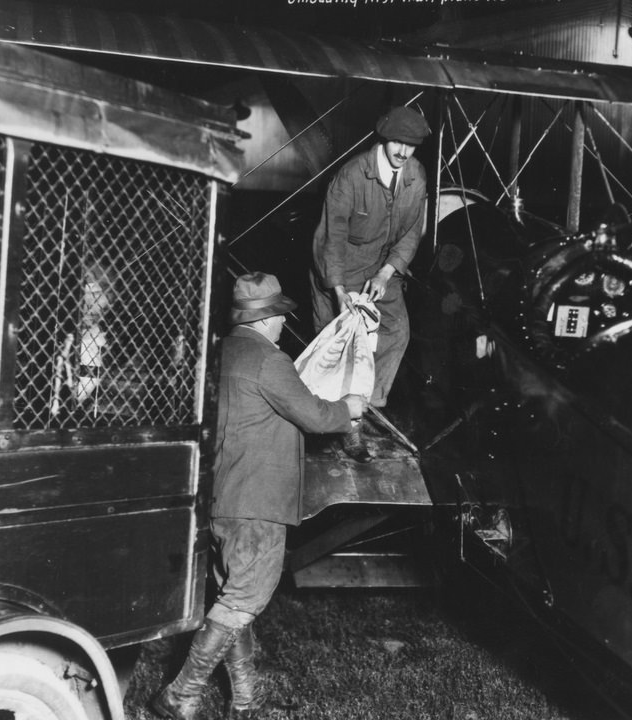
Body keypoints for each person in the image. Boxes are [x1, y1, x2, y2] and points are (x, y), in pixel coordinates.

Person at [152, 272, 365, 720]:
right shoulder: (269, 360)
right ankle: (179, 694)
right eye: (281, 317)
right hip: (257, 503)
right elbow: (316, 416)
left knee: (233, 598)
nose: (284, 324)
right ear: (268, 319)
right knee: (242, 601)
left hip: (220, 500)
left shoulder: (218, 354)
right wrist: (348, 408)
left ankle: (247, 701)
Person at [309, 104, 431, 462]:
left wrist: (386, 273)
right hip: (338, 269)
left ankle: (366, 407)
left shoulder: (416, 177)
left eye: (410, 147)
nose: (402, 153)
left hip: (379, 268)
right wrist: (338, 291)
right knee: (338, 346)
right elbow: (332, 237)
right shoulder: (351, 176)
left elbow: (410, 234)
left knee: (395, 331)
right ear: (383, 138)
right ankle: (342, 422)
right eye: (397, 143)